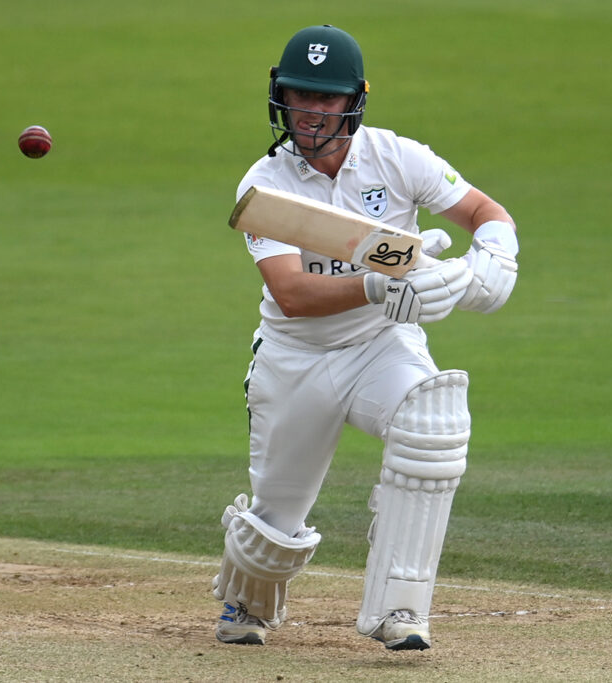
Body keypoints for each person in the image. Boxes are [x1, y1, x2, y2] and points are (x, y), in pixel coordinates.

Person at [211, 25, 518, 651]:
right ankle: (246, 597)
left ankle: (401, 611)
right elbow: (293, 296)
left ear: (354, 100)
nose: (310, 112)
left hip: (382, 346)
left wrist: (489, 261)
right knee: (275, 524)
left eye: (325, 99)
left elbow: (488, 214)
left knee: (433, 424)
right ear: (279, 96)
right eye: (299, 96)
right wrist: (380, 284)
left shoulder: (399, 157)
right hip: (297, 358)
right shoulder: (263, 185)